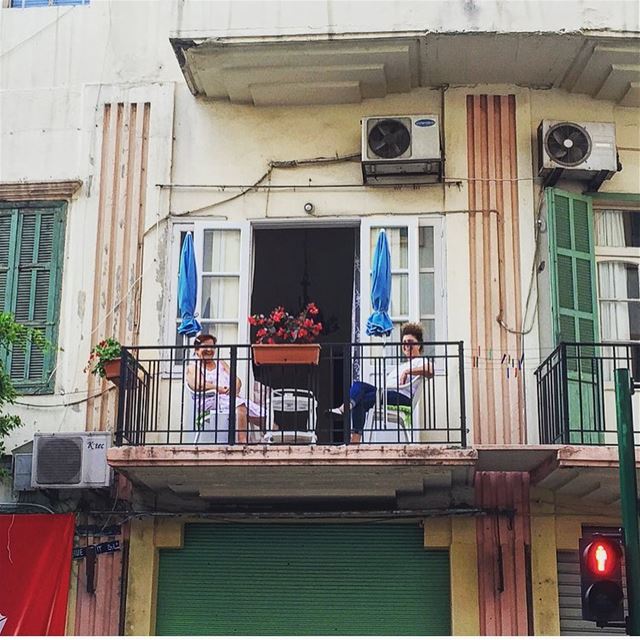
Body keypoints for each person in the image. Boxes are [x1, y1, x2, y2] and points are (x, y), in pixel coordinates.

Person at [329, 322, 433, 444]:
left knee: (359, 398)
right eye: (404, 343)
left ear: (419, 345)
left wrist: (407, 372)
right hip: (387, 393)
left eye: (410, 342)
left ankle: (350, 426)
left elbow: (430, 370)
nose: (406, 346)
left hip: (401, 397)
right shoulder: (402, 365)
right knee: (358, 389)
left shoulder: (420, 361)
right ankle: (348, 414)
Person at [186, 333, 267, 444]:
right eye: (205, 346)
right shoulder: (193, 366)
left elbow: (237, 380)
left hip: (227, 398)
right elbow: (198, 384)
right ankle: (242, 442)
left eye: (212, 347)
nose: (209, 349)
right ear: (196, 350)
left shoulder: (221, 363)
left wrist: (234, 387)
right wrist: (218, 389)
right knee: (241, 407)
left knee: (262, 414)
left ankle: (274, 434)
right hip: (209, 400)